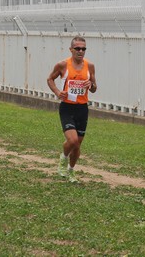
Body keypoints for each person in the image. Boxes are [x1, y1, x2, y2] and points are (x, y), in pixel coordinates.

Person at [46, 36, 97, 183]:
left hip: (82, 108)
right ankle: (63, 158)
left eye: (83, 49)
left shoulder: (90, 66)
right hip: (67, 107)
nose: (81, 51)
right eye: (77, 48)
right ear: (71, 49)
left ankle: (71, 171)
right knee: (73, 140)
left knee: (77, 145)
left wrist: (91, 85)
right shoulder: (62, 65)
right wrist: (57, 92)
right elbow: (50, 79)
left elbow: (94, 88)